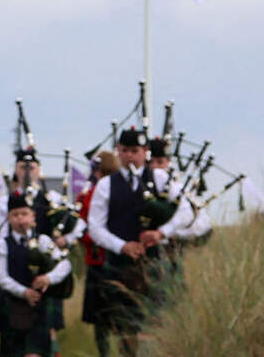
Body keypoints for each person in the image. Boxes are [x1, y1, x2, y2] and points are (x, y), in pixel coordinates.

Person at [87, 128, 193, 357]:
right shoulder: (106, 185)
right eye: (124, 150)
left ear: (145, 152)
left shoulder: (161, 179)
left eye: (135, 151)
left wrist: (161, 233)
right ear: (118, 151)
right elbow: (95, 227)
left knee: (156, 324)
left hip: (155, 263)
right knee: (126, 329)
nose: (129, 156)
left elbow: (186, 212)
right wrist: (122, 246)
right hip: (120, 265)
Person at [0, 191, 71, 357]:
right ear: (9, 218)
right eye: (15, 215)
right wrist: (24, 292)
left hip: (39, 307)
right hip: (12, 306)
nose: (20, 218)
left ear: (33, 216)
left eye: (24, 214)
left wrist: (48, 278)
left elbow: (65, 264)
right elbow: (1, 277)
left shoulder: (43, 241)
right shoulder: (1, 244)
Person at [77, 151, 119, 357]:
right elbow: (82, 228)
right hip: (100, 259)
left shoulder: (93, 194)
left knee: (108, 316)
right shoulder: (88, 196)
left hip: (110, 260)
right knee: (103, 317)